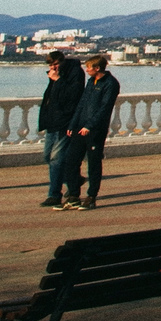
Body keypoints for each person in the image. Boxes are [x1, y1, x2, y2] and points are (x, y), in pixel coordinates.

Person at [58, 54, 121, 210]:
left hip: (95, 131)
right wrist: (72, 126)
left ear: (97, 68)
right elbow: (82, 105)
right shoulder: (91, 82)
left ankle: (91, 196)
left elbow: (105, 108)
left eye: (88, 68)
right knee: (70, 162)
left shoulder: (110, 84)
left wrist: (90, 126)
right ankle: (73, 195)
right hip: (79, 128)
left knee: (93, 164)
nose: (86, 70)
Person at [37, 50, 85, 207]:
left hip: (65, 122)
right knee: (47, 157)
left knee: (56, 159)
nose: (53, 67)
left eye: (55, 64)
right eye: (51, 65)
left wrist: (58, 80)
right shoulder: (56, 74)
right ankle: (74, 180)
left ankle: (54, 195)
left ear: (62, 61)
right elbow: (51, 98)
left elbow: (71, 96)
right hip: (52, 122)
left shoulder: (74, 73)